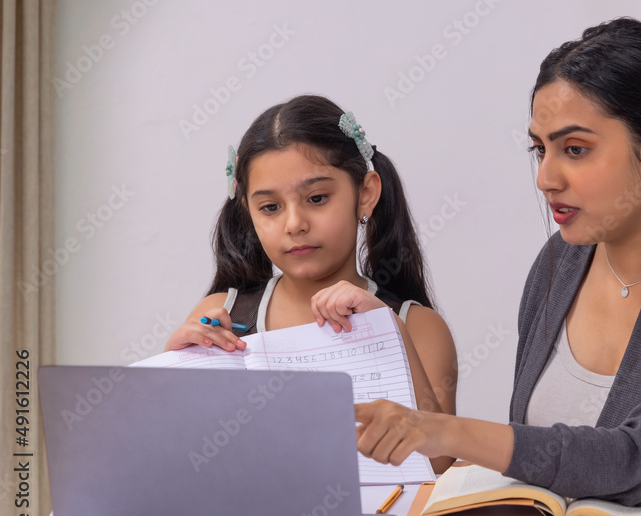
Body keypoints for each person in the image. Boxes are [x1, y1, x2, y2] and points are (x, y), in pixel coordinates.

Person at [350, 18, 641, 506]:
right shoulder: (560, 262)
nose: (545, 177)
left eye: (575, 149)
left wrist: (449, 433)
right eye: (540, 149)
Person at [164, 94, 458, 473]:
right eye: (270, 207)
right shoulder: (218, 314)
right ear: (248, 212)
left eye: (317, 198)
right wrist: (173, 374)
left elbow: (440, 466)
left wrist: (389, 331)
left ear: (365, 193)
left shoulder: (417, 326)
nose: (294, 223)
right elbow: (177, 466)